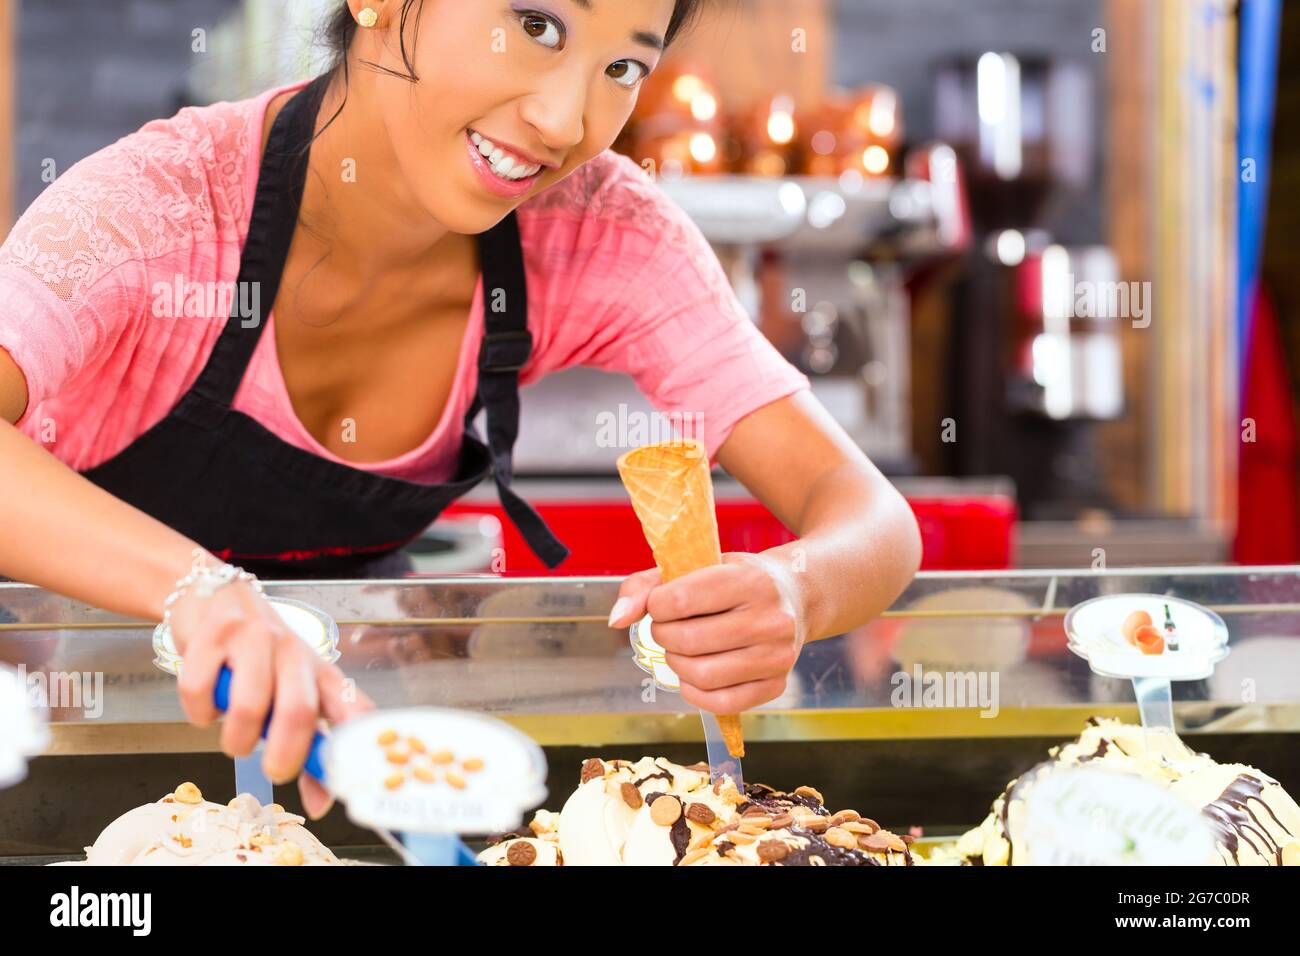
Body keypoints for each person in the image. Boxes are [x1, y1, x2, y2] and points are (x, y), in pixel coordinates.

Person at [0, 1, 921, 818]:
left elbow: (869, 513)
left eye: (624, 67)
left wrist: (796, 590)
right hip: (57, 748)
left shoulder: (600, 230)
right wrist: (200, 589)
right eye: (536, 25)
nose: (564, 120)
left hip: (341, 759)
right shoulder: (158, 210)